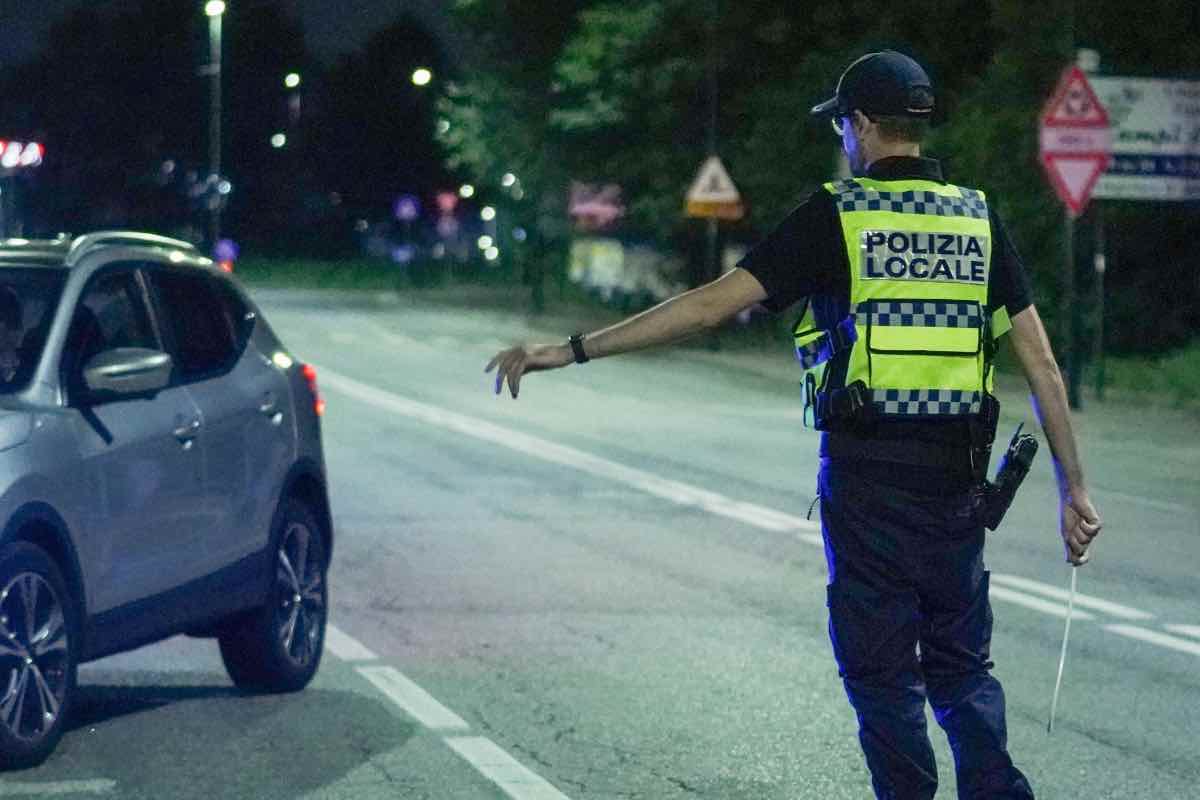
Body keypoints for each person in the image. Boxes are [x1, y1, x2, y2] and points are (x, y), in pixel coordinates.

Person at [485, 49, 1102, 799]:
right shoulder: (977, 219)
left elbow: (711, 304)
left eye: (843, 123)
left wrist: (572, 351)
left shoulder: (837, 215)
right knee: (962, 668)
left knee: (881, 676)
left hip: (868, 486)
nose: (842, 137)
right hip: (957, 488)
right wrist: (1074, 488)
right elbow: (1042, 366)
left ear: (867, 125)